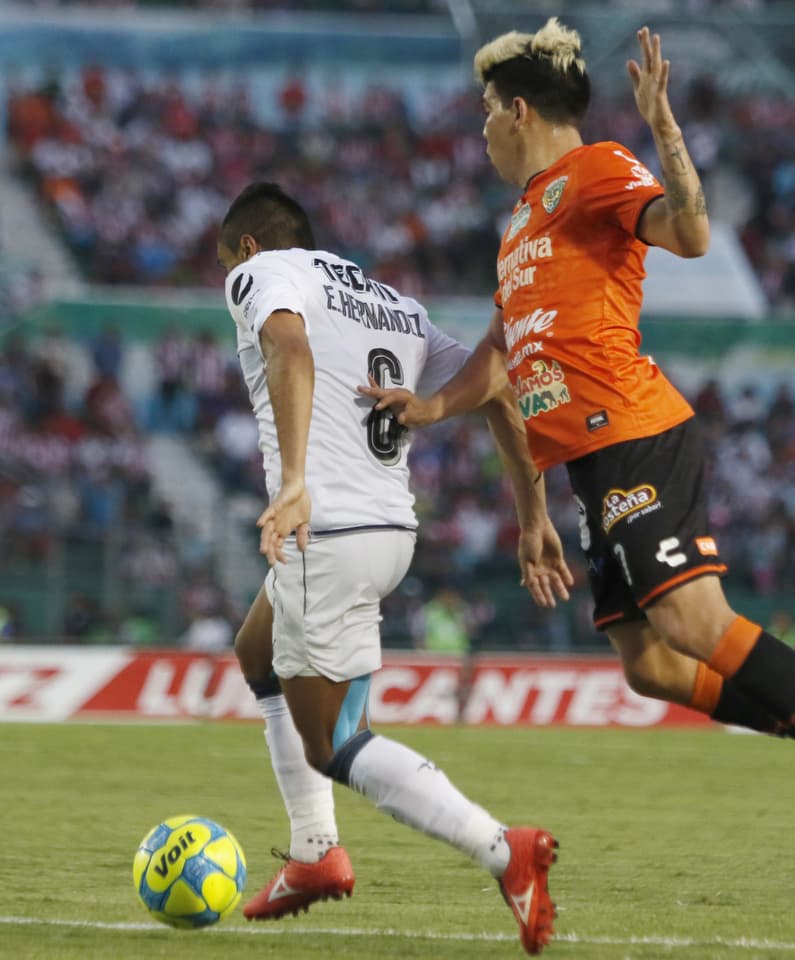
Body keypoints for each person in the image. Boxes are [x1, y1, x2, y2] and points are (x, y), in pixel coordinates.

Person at [361, 20, 795, 877]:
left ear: (518, 111)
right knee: (652, 666)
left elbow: (689, 233)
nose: (478, 130)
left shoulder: (597, 170)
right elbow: (501, 358)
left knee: (690, 621)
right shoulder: (519, 226)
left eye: (484, 111)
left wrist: (665, 130)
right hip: (590, 462)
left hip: (634, 432)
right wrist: (431, 407)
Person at [219, 182, 569, 954]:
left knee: (335, 744)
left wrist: (294, 483)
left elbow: (289, 346)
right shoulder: (392, 305)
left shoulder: (261, 272)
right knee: (256, 650)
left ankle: (503, 850)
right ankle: (314, 855)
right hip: (387, 533)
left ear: (249, 248)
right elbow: (498, 388)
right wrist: (534, 516)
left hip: (328, 533)